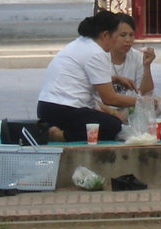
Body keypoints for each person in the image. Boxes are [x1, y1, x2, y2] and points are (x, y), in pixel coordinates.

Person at [37, 11, 140, 142]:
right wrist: (143, 101)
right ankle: (60, 136)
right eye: (118, 36)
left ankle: (57, 128)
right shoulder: (96, 53)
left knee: (104, 121)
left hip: (48, 107)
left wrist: (114, 79)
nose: (116, 42)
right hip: (63, 108)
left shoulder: (83, 43)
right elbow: (109, 98)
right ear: (105, 35)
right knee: (113, 126)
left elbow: (87, 78)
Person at [107, 13, 155, 106]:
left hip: (130, 106)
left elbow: (144, 93)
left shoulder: (136, 56)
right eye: (123, 35)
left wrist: (147, 66)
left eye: (131, 35)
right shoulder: (100, 56)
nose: (128, 40)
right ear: (111, 35)